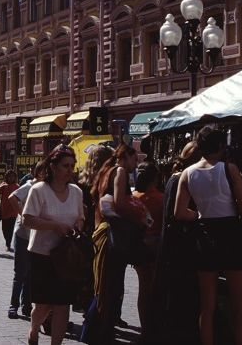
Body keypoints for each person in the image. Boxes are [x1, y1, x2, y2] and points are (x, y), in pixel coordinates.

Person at [174, 126, 242, 345]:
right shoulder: (229, 169)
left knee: (206, 306)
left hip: (205, 235)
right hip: (231, 235)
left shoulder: (187, 173)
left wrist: (199, 214)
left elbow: (179, 213)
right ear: (220, 146)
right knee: (240, 305)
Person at [23, 145, 85, 345]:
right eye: (65, 166)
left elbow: (81, 218)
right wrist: (54, 226)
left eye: (72, 166)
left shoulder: (76, 192)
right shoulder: (39, 190)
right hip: (42, 255)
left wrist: (77, 225)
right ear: (53, 166)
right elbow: (28, 220)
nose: (70, 170)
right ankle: (33, 331)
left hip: (66, 257)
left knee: (62, 304)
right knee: (44, 305)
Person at [87, 144, 139, 345]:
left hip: (102, 230)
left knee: (105, 285)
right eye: (135, 160)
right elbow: (120, 202)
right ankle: (98, 332)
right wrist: (139, 215)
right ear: (125, 157)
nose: (136, 164)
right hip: (112, 233)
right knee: (111, 285)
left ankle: (97, 331)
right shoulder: (119, 171)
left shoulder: (106, 171)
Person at [150, 141, 201, 345]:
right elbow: (178, 213)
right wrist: (200, 215)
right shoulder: (184, 178)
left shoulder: (173, 177)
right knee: (178, 293)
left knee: (170, 291)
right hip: (179, 244)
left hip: (170, 242)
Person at [7, 160, 46, 319]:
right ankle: (13, 305)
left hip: (36, 236)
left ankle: (26, 306)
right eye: (43, 171)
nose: (46, 174)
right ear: (37, 172)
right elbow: (12, 198)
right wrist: (23, 215)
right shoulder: (30, 186)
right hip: (23, 234)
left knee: (31, 273)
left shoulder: (46, 189)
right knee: (20, 273)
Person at [131, 161, 164, 341]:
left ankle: (145, 327)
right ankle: (154, 325)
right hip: (156, 246)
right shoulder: (161, 198)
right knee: (154, 288)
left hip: (139, 245)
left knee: (143, 288)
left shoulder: (134, 197)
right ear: (155, 178)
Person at [0, 169, 19, 251]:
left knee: (10, 228)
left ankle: (8, 244)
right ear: (6, 177)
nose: (11, 178)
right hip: (4, 210)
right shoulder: (4, 185)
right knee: (4, 229)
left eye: (12, 176)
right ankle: (7, 240)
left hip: (13, 211)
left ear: (15, 177)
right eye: (9, 176)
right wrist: (2, 186)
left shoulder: (17, 186)